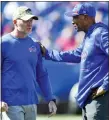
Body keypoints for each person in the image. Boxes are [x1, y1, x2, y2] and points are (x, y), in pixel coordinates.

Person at [40, 3, 109, 120]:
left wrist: (106, 85)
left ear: (86, 17)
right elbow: (75, 55)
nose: (72, 21)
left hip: (99, 97)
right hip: (90, 97)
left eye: (76, 17)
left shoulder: (100, 33)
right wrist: (48, 53)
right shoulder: (90, 35)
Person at [1, 6, 57, 120]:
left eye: (31, 20)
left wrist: (50, 99)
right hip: (10, 104)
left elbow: (41, 74)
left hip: (31, 102)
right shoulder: (3, 43)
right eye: (26, 20)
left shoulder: (35, 45)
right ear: (15, 22)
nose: (29, 23)